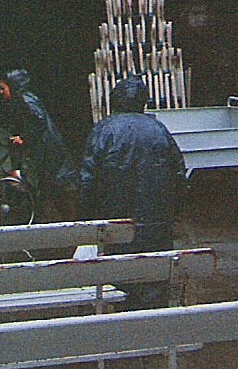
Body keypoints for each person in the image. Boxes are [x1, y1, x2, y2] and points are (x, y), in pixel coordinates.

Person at [79, 73, 187, 308]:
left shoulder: (103, 131)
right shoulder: (159, 130)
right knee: (153, 282)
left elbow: (87, 181)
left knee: (121, 282)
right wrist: (175, 213)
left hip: (117, 223)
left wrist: (88, 219)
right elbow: (179, 176)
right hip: (155, 223)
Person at [0, 69, 72, 219]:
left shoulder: (26, 100)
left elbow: (38, 121)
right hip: (42, 150)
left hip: (46, 150)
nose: (1, 92)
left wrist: (24, 138)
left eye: (3, 88)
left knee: (53, 188)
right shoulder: (22, 100)